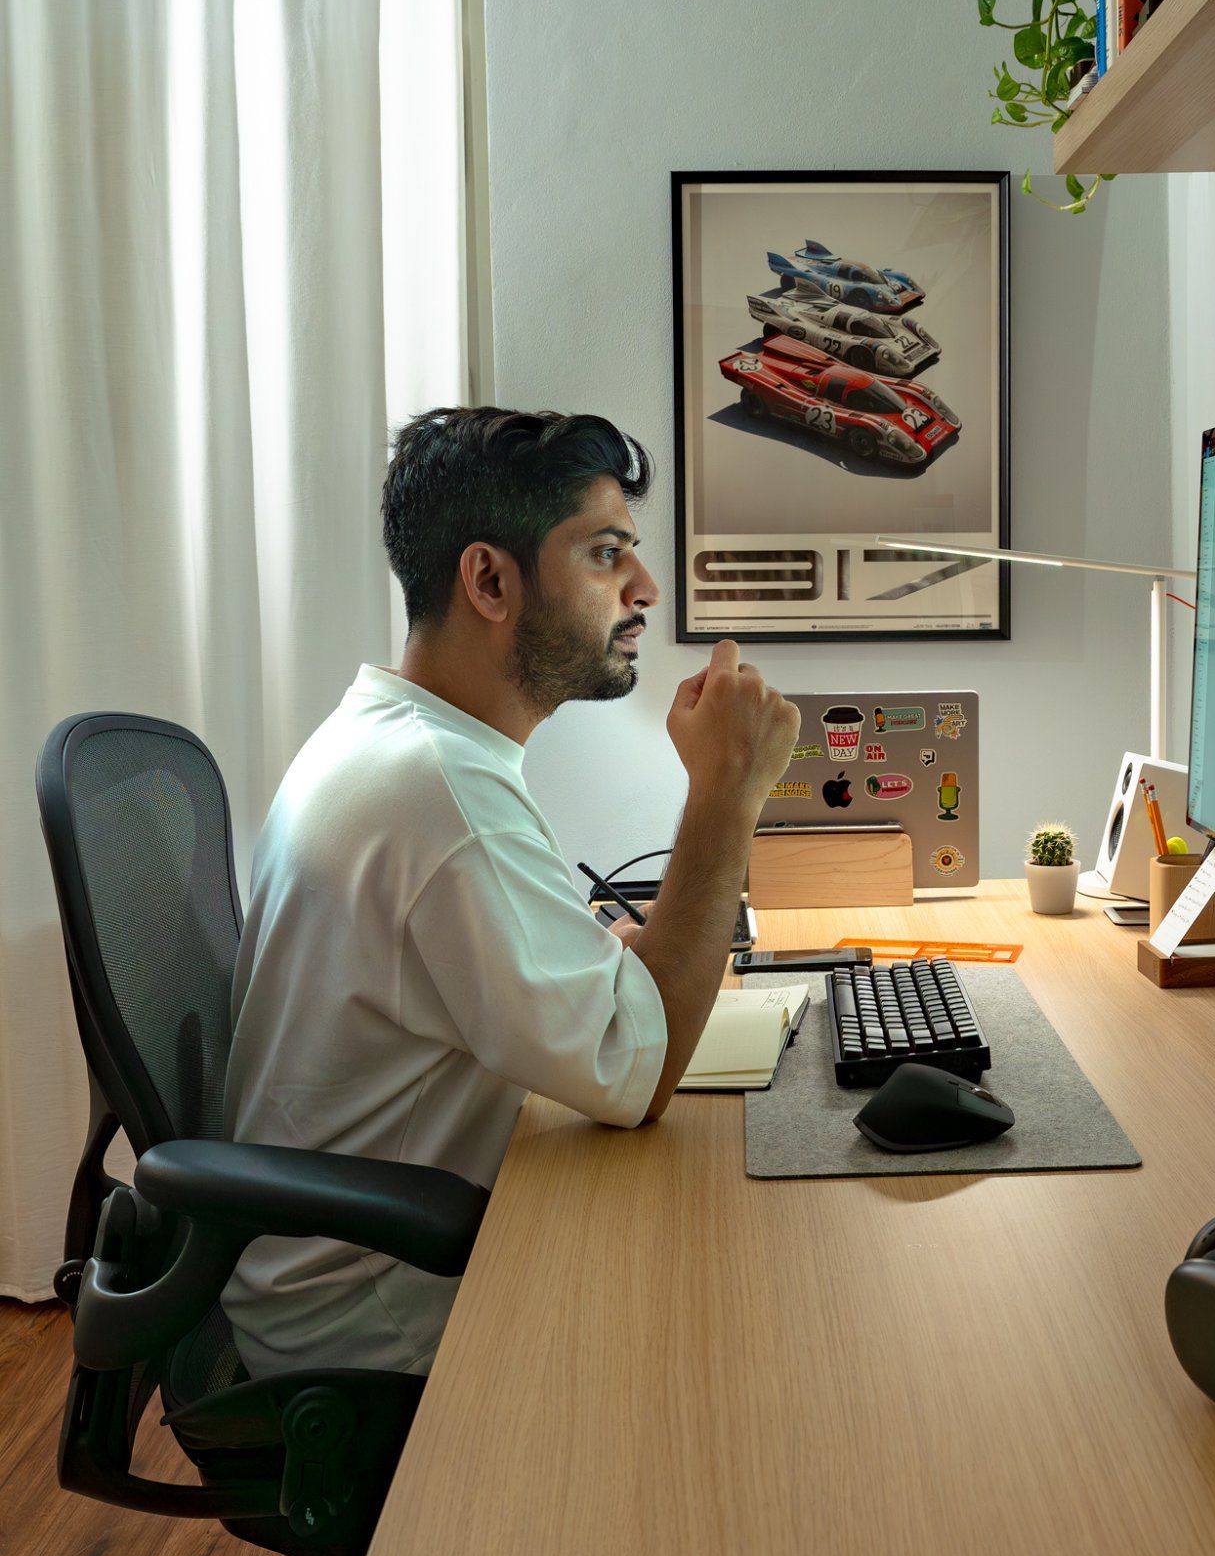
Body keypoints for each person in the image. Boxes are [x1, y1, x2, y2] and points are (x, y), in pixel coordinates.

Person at [221, 407, 800, 1376]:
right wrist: (727, 790)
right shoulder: (442, 791)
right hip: (374, 1321)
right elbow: (642, 1075)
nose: (645, 588)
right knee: (753, 1313)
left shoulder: (400, 739)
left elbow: (569, 995)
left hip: (338, 1273)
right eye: (606, 553)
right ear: (490, 580)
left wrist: (622, 959)